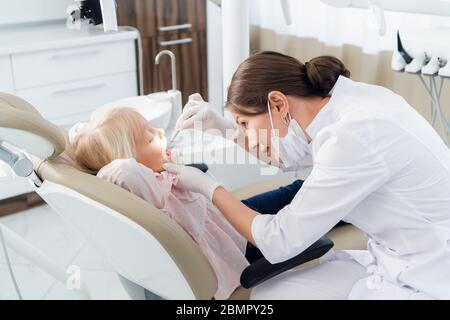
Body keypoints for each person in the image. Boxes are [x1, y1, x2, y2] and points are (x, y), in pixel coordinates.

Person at [164, 51, 450, 299]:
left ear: (278, 103)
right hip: (396, 256)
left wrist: (210, 188)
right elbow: (289, 156)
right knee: (268, 293)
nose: (247, 137)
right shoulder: (344, 103)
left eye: (245, 124)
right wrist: (221, 128)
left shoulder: (352, 134)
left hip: (431, 272)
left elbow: (279, 241)